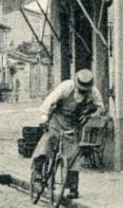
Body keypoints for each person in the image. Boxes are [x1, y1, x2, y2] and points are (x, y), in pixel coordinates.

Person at [33, 69, 106, 200]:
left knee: (73, 155)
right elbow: (49, 101)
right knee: (47, 143)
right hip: (57, 120)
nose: (83, 91)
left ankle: (73, 188)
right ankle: (37, 173)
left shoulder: (93, 92)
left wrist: (89, 115)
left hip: (73, 125)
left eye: (85, 89)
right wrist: (44, 118)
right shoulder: (66, 87)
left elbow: (100, 108)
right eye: (81, 88)